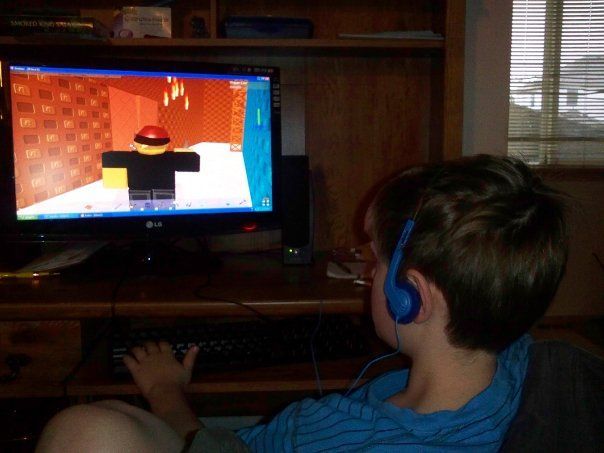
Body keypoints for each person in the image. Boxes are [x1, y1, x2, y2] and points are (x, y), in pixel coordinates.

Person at [36, 154, 569, 452]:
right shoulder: (520, 366)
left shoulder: (345, 438)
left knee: (83, 430)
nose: (365, 271)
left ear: (412, 297)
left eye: (377, 260)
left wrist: (167, 393)